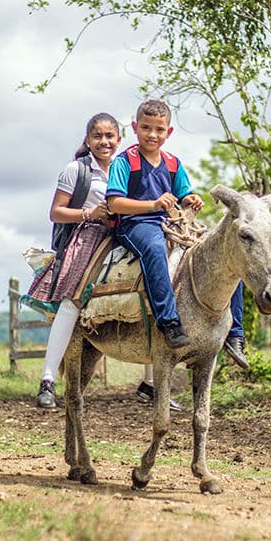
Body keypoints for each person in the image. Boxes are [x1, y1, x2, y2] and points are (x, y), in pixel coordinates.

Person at [105, 99, 248, 365]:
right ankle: (168, 320)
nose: (152, 135)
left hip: (172, 222)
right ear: (135, 128)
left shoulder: (172, 163)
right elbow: (114, 203)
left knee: (225, 250)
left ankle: (235, 332)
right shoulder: (125, 162)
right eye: (146, 128)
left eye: (159, 130)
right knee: (155, 249)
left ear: (168, 132)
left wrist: (191, 200)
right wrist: (153, 204)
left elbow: (185, 194)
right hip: (135, 223)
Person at [27, 113, 119, 409]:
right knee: (71, 303)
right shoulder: (76, 170)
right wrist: (89, 214)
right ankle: (48, 379)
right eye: (98, 136)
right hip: (89, 234)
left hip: (122, 233)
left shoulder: (126, 168)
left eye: (109, 136)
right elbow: (56, 212)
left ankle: (153, 381)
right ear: (88, 140)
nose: (104, 142)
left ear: (119, 138)